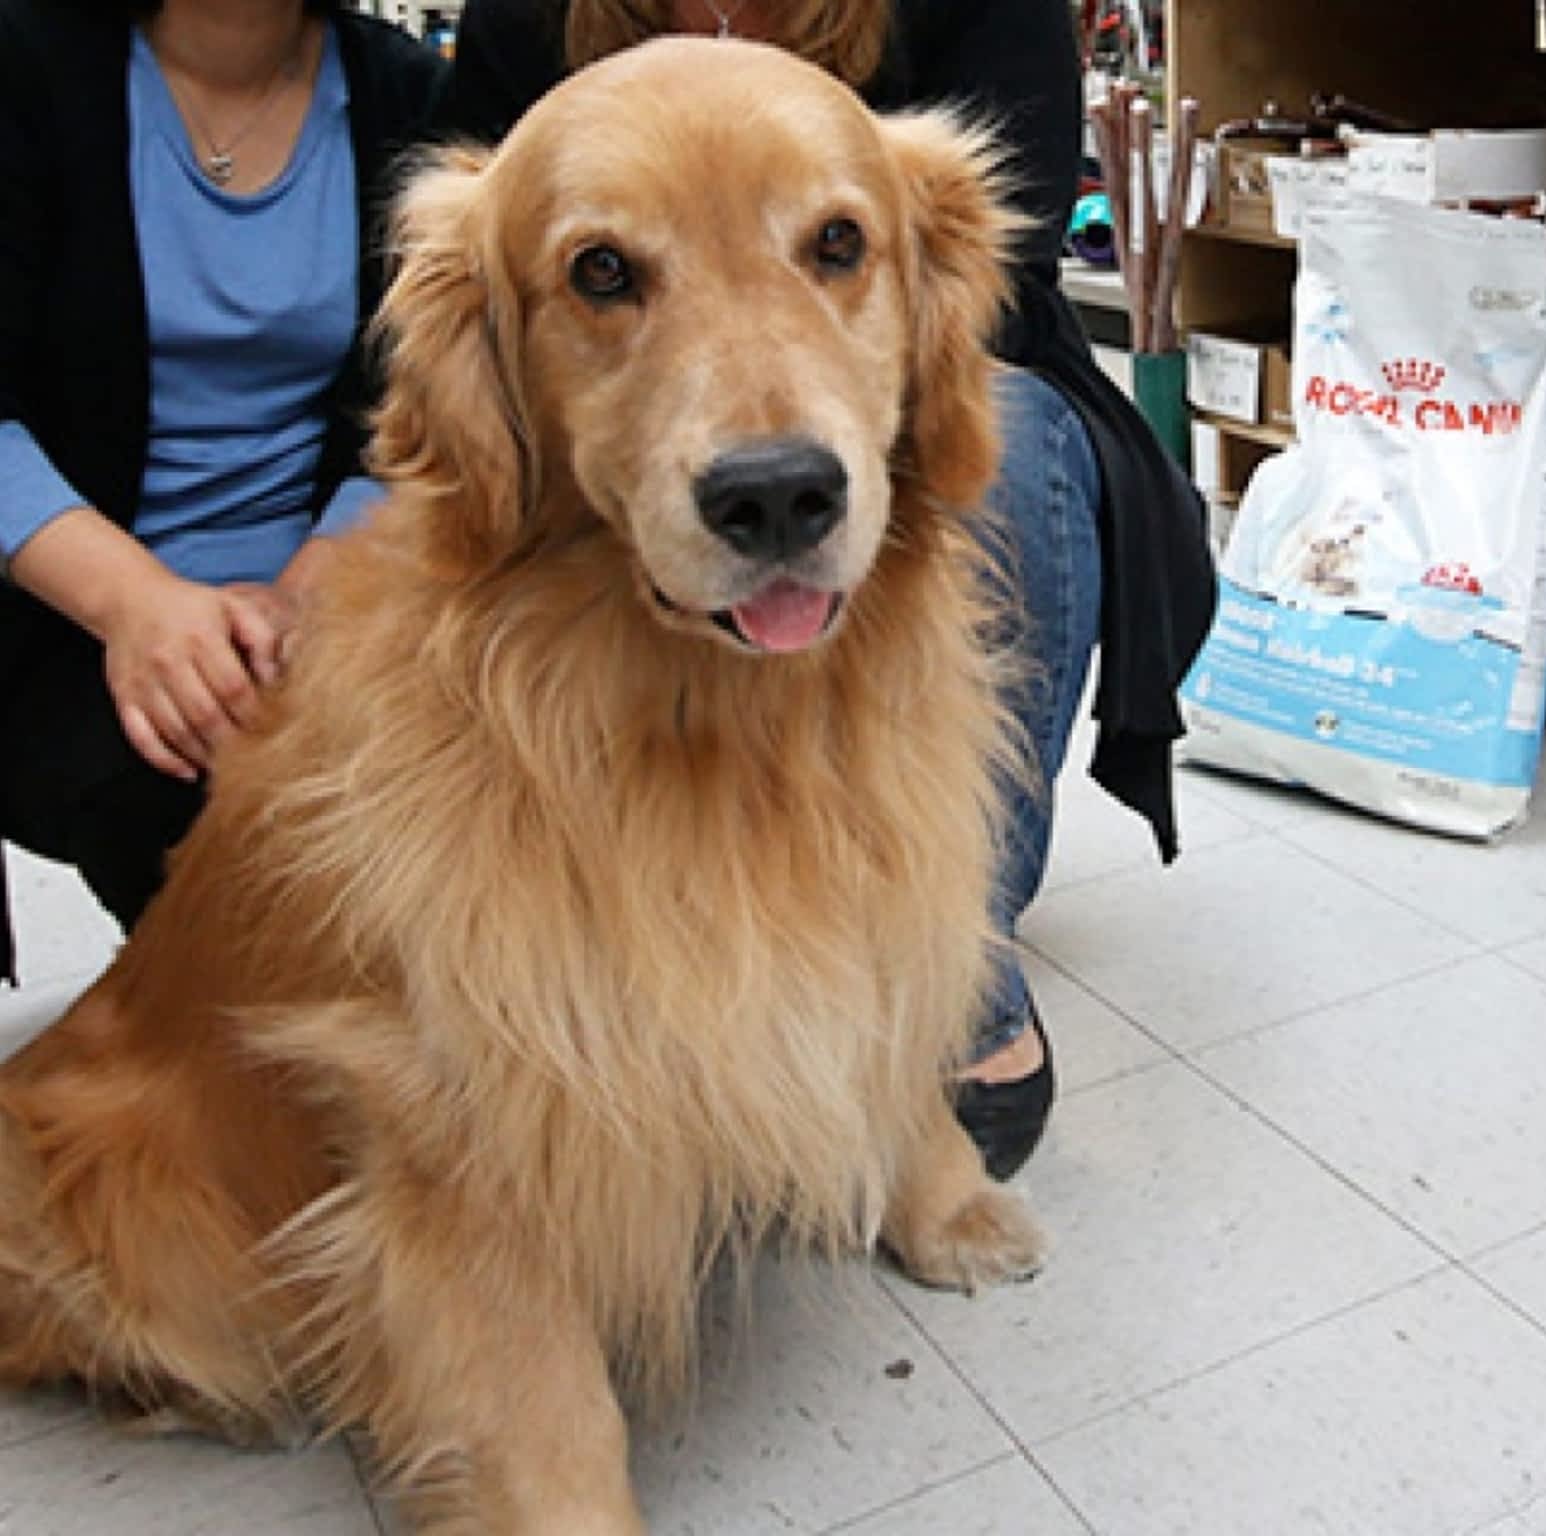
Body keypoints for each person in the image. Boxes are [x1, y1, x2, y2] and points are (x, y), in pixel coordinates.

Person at [439, 0, 1217, 1178]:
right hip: (619, 458)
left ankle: (956, 976)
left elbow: (1002, 261)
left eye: (833, 242)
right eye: (607, 265)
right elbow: (476, 274)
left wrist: (860, 397)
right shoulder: (525, 15)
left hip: (945, 379)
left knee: (1001, 449)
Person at [0, 0, 444, 984]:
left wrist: (302, 600)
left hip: (341, 586)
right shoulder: (29, 67)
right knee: (175, 788)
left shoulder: (404, 94)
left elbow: (414, 410)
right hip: (68, 601)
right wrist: (142, 609)